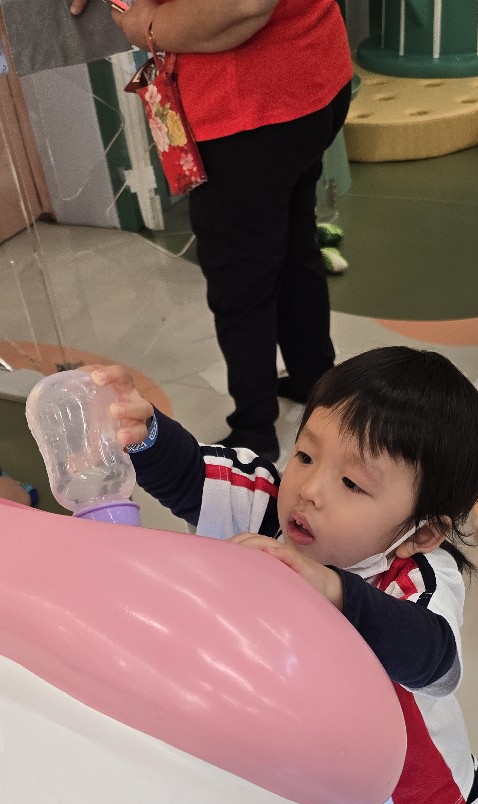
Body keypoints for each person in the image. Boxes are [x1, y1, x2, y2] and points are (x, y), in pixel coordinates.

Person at [92, 346, 478, 804]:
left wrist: (336, 590)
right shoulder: (273, 509)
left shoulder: (417, 575)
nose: (308, 489)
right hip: (312, 759)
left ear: (421, 532)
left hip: (404, 775)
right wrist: (147, 437)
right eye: (306, 455)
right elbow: (197, 480)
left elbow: (433, 659)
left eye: (353, 484)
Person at [72, 0, 353, 463]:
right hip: (313, 72)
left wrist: (148, 25)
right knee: (294, 242)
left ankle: (254, 433)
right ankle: (316, 382)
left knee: (241, 278)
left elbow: (244, 4)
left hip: (248, 106)